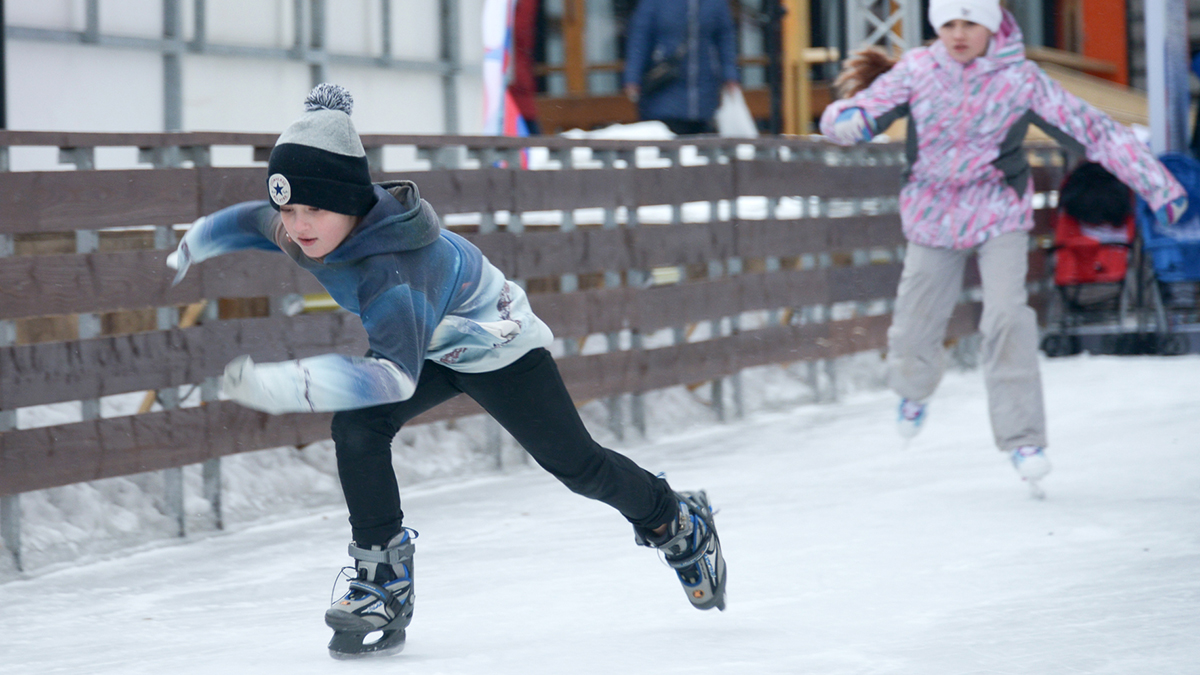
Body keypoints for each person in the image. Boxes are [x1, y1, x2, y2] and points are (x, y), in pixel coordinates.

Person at [166, 84, 727, 659]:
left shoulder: (393, 272)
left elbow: (392, 379)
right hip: (427, 346)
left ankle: (675, 519)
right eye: (291, 208)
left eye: (315, 209)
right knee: (357, 428)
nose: (301, 225)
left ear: (354, 203)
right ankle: (381, 581)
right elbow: (256, 220)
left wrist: (285, 387)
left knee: (578, 467)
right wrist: (197, 241)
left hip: (495, 348)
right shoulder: (299, 228)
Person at [819, 0, 1187, 495]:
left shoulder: (1020, 79)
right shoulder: (919, 71)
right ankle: (912, 389)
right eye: (948, 23)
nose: (958, 33)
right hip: (932, 213)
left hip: (998, 210)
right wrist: (848, 121)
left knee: (1007, 317)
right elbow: (860, 108)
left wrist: (1157, 185)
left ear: (991, 26)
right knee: (915, 321)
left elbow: (1093, 130)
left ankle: (1023, 438)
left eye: (970, 22)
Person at [622, 0, 740, 135]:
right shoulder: (654, 3)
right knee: (667, 141)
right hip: (664, 89)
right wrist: (632, 77)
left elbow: (725, 37)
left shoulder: (716, 3)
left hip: (704, 95)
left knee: (700, 144)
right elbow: (640, 37)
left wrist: (730, 75)